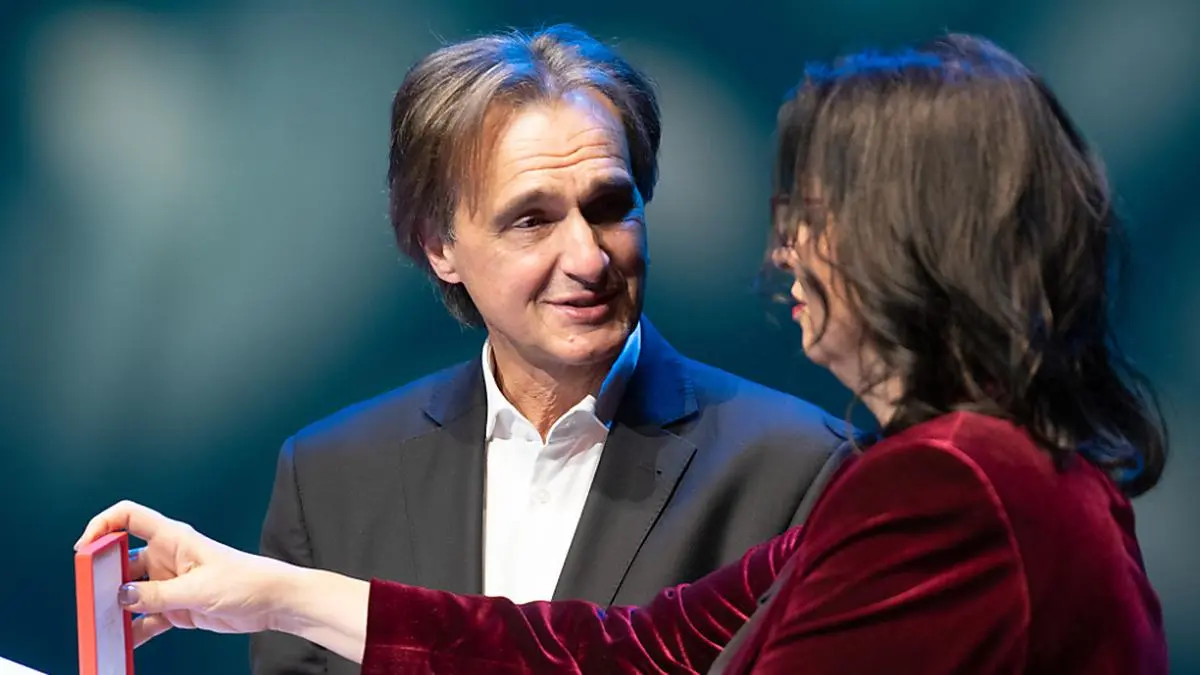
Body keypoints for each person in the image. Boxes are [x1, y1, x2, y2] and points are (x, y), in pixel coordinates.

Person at [76, 32, 1170, 674]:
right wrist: (268, 592)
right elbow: (626, 653)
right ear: (438, 246)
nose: (785, 250)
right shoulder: (967, 475)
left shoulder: (950, 488)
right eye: (529, 219)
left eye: (815, 216)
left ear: (906, 242)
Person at [249, 23, 844, 675]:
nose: (588, 258)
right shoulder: (331, 478)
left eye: (610, 207)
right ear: (439, 246)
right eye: (532, 220)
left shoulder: (798, 468)